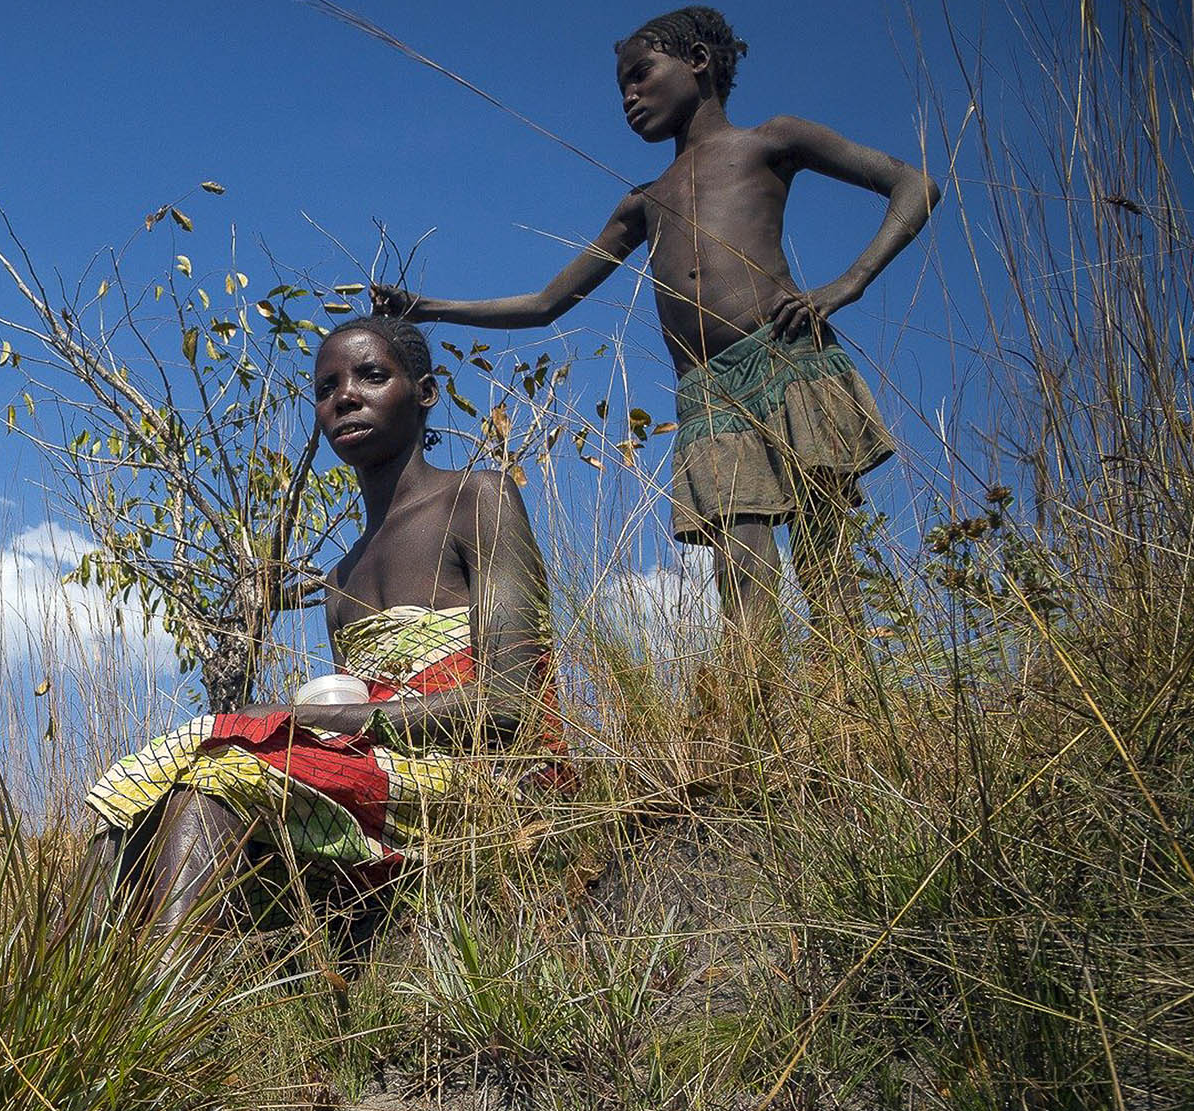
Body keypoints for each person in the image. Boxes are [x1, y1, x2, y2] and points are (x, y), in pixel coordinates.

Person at [373, 5, 938, 643]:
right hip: (709, 393)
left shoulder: (770, 141)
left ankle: (850, 691)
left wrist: (848, 283)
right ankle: (758, 700)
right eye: (621, 86)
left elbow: (913, 184)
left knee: (824, 556)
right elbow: (547, 302)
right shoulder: (642, 202)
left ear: (697, 61)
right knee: (742, 581)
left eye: (640, 74)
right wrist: (429, 307)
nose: (629, 97)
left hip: (785, 358)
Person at [87, 315, 566, 928]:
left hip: (484, 779)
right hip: (380, 773)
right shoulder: (340, 579)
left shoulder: (477, 498)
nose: (344, 397)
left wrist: (302, 719)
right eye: (325, 388)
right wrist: (309, 725)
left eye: (372, 376)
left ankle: (153, 986)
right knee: (146, 798)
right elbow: (354, 720)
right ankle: (83, 983)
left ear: (424, 392)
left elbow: (511, 702)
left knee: (217, 774)